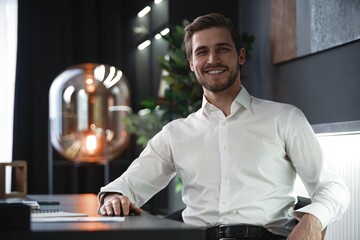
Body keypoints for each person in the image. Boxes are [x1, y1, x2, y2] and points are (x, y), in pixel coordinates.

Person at [98, 13, 350, 240]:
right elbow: (126, 186)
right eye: (201, 52)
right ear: (191, 64)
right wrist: (114, 197)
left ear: (240, 55)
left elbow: (332, 188)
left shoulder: (284, 118)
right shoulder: (175, 133)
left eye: (222, 49)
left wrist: (313, 219)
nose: (212, 59)